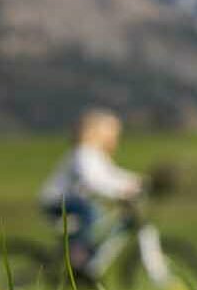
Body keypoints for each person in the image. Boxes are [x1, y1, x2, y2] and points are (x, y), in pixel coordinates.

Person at [38, 109, 142, 276]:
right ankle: (79, 259)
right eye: (112, 133)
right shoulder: (83, 154)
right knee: (90, 213)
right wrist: (121, 191)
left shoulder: (95, 155)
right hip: (59, 201)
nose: (115, 138)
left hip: (74, 201)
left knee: (96, 216)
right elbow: (92, 181)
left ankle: (84, 260)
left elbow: (111, 174)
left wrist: (138, 182)